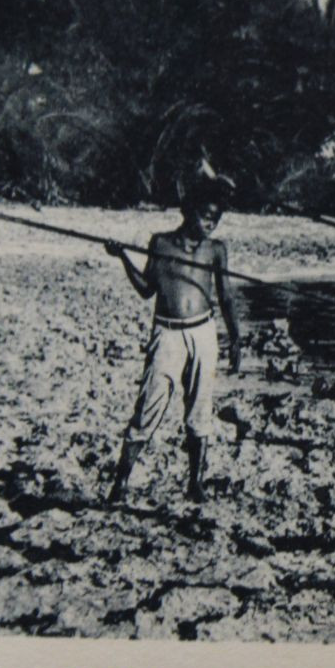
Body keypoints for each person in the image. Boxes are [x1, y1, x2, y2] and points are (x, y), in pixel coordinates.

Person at [103, 179, 241, 506]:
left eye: (216, 218)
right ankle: (120, 483)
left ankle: (196, 483)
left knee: (199, 409)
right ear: (189, 211)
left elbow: (227, 296)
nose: (210, 223)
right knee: (148, 408)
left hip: (204, 334)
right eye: (206, 215)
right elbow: (147, 289)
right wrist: (123, 256)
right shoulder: (161, 243)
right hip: (167, 334)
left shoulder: (216, 249)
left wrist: (236, 338)